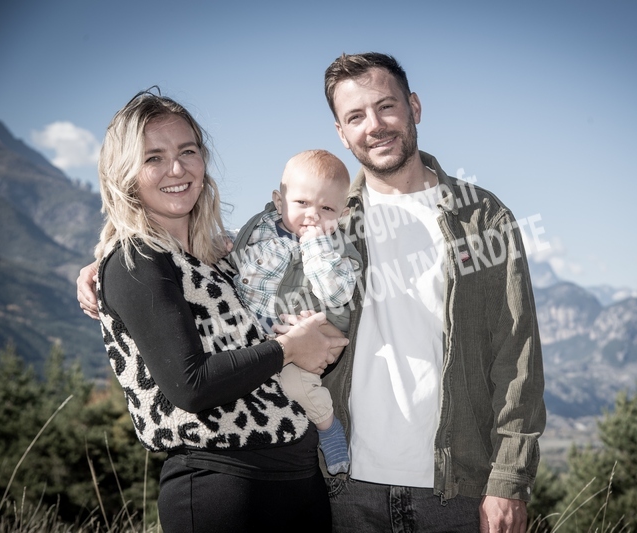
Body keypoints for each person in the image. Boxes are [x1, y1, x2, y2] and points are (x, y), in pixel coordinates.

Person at [89, 90, 347, 532]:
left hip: (299, 483)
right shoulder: (137, 260)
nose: (177, 169)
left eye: (187, 151)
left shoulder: (221, 258)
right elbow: (191, 386)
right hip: (224, 489)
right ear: (125, 173)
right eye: (154, 158)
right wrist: (289, 348)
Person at [318, 52, 546, 533]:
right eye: (355, 117)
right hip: (342, 490)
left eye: (386, 106)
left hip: (457, 492)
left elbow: (517, 356)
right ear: (341, 133)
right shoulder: (327, 223)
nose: (374, 126)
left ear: (414, 108)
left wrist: (509, 479)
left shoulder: (483, 219)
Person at [229, 149, 361, 475]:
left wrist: (315, 246)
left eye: (326, 208)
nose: (312, 214)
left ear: (342, 214)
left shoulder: (335, 246)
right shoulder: (259, 227)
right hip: (248, 332)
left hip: (300, 336)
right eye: (302, 203)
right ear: (279, 201)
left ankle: (329, 429)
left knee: (296, 387)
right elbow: (237, 258)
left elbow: (337, 292)